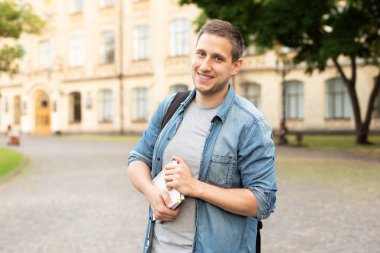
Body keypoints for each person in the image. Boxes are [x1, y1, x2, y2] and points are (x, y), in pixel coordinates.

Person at [128, 19, 277, 253]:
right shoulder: (170, 106)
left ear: (236, 66)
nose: (205, 66)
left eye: (218, 58)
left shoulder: (250, 125)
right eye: (201, 54)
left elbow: (263, 200)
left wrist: (195, 187)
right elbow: (137, 158)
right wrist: (152, 193)